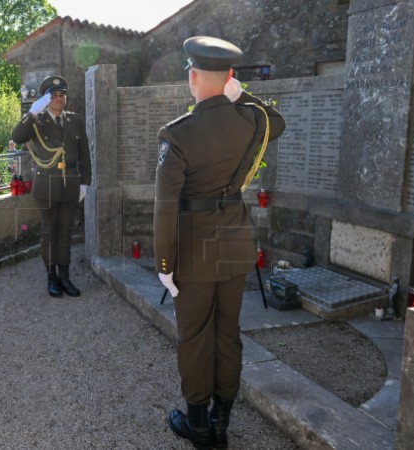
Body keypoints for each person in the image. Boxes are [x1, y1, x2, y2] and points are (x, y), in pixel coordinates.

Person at [153, 36, 286, 449]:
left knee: (195, 337)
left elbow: (165, 207)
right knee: (228, 333)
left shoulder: (178, 133)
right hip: (233, 241)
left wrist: (164, 264)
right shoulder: (249, 120)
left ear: (192, 78)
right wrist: (241, 94)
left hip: (193, 249)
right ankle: (221, 422)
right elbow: (276, 124)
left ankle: (197, 425)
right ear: (229, 77)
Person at [12, 76, 91, 298]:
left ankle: (65, 276)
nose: (59, 98)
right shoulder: (36, 121)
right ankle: (51, 276)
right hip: (45, 184)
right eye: (54, 95)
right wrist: (32, 113)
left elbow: (84, 153)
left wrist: (85, 181)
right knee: (49, 232)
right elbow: (17, 137)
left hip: (70, 184)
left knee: (65, 232)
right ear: (46, 100)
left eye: (62, 94)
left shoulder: (74, 120)